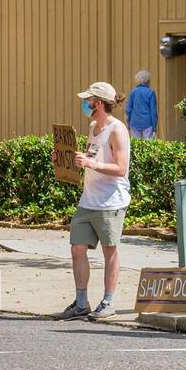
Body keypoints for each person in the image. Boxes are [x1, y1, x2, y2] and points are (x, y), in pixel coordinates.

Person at [54, 81, 130, 321]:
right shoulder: (92, 127)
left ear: (97, 103)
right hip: (88, 199)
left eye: (88, 100)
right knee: (77, 248)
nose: (85, 104)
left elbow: (121, 168)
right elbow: (90, 157)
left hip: (110, 201)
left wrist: (91, 163)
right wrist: (65, 158)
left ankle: (108, 301)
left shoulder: (117, 130)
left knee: (110, 251)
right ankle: (81, 302)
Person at [126, 69, 158, 139]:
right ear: (148, 81)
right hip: (147, 123)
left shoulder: (133, 92)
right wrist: (154, 126)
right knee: (148, 147)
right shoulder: (151, 92)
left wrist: (128, 122)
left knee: (136, 145)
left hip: (134, 122)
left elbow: (128, 109)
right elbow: (153, 111)